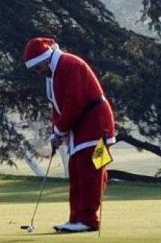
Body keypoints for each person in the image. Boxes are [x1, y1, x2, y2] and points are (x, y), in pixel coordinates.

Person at [24, 37, 116, 232]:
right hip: (80, 129)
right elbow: (59, 107)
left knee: (91, 171)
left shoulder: (70, 64)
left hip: (97, 126)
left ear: (46, 59)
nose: (39, 71)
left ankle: (89, 220)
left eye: (39, 66)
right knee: (76, 170)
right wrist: (56, 132)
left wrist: (59, 131)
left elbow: (75, 104)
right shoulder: (54, 73)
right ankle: (76, 218)